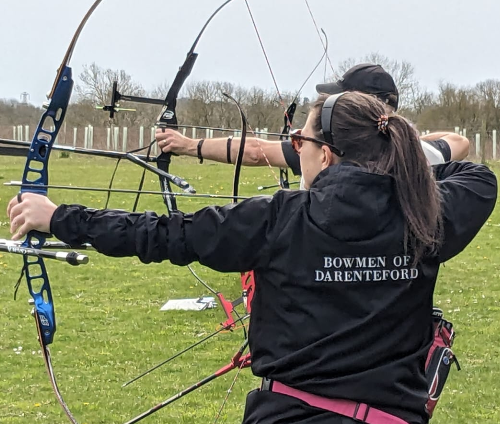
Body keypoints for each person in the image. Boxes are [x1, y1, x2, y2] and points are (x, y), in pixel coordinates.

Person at [8, 91, 496, 424]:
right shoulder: (428, 215)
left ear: (325, 155)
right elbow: (473, 173)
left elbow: (160, 234)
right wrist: (403, 154)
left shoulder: (278, 219)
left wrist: (58, 218)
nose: (295, 149)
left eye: (299, 142)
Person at [155, 64, 470, 172]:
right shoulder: (421, 155)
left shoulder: (327, 152)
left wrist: (188, 145)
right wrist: (406, 138)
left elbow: (255, 152)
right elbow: (459, 142)